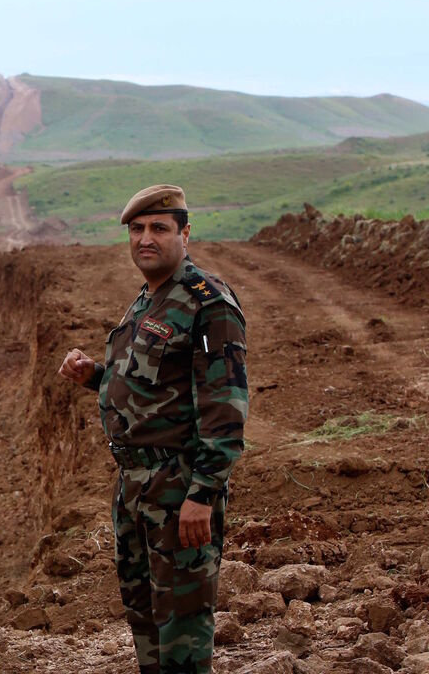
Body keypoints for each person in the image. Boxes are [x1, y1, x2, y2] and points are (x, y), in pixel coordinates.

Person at [58, 184, 247, 674]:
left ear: (185, 233)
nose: (146, 238)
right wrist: (93, 377)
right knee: (146, 625)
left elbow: (225, 409)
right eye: (137, 229)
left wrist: (203, 494)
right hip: (135, 489)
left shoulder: (208, 303)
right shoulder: (149, 299)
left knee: (182, 634)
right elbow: (148, 386)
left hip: (178, 488)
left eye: (159, 228)